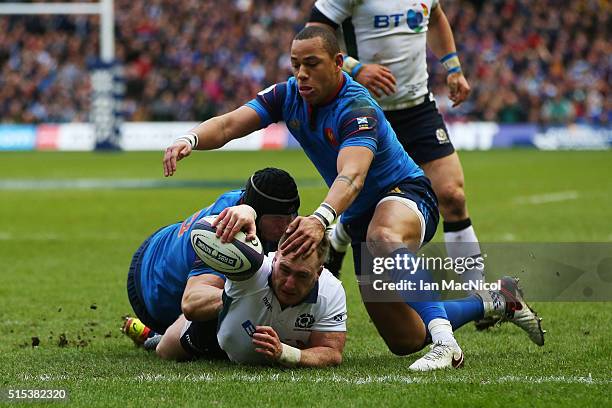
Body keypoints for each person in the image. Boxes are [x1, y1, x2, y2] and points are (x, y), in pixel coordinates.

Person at [162, 26, 544, 370]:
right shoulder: (288, 94)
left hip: (406, 195)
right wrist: (190, 139)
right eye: (296, 64)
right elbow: (230, 123)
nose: (302, 74)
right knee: (405, 339)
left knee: (383, 237)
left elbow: (353, 175)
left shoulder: (356, 107)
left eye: (311, 64)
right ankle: (497, 300)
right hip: (360, 218)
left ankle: (447, 344)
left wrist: (321, 218)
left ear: (338, 63)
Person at [307, 1, 489, 323]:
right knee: (369, 203)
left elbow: (435, 19)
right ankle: (343, 233)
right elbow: (315, 32)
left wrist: (454, 66)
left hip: (417, 108)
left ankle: (481, 297)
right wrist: (355, 67)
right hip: (364, 111)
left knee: (453, 196)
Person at [123, 168, 300, 358]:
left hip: (167, 244)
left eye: (292, 216)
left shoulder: (259, 205)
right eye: (279, 220)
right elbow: (192, 303)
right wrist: (252, 298)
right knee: (236, 334)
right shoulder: (225, 234)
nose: (288, 226)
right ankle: (161, 332)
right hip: (154, 287)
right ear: (258, 213)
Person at [155, 234, 347, 367]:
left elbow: (331, 353)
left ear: (318, 272)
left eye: (302, 276)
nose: (289, 283)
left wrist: (285, 353)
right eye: (285, 270)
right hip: (215, 333)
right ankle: (150, 336)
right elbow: (192, 305)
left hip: (272, 348)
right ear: (275, 257)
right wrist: (246, 209)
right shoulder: (251, 269)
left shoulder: (331, 292)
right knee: (164, 350)